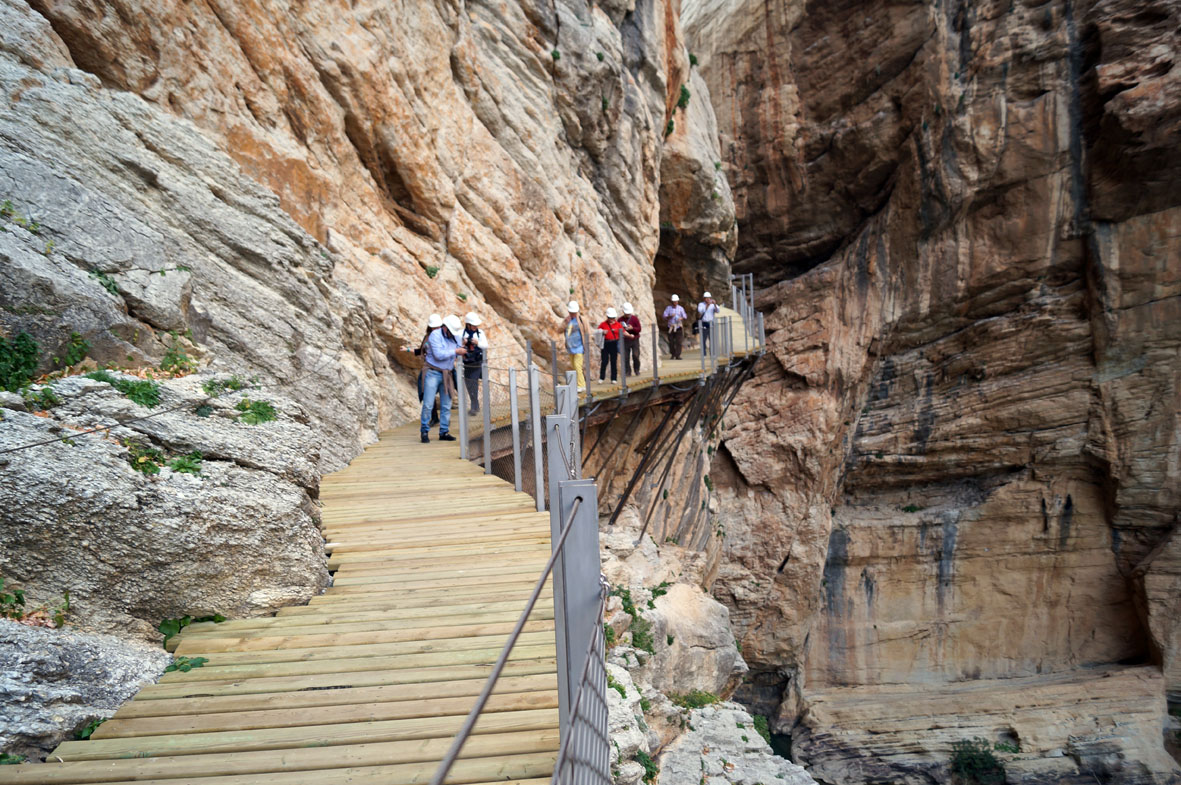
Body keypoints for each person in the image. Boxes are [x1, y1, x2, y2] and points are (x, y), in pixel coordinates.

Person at [420, 313, 466, 443]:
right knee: (428, 403)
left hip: (448, 373)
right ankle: (424, 430)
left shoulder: (455, 337)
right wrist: (456, 352)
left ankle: (444, 432)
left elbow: (458, 348)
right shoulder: (435, 335)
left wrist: (462, 349)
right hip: (433, 372)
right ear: (444, 327)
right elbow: (438, 355)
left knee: (446, 405)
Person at [405, 314, 443, 426]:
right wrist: (407, 349)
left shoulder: (443, 337)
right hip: (428, 367)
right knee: (425, 391)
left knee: (446, 392)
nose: (436, 329)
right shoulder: (427, 336)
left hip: (441, 368)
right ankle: (435, 417)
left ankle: (444, 423)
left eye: (437, 327)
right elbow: (421, 351)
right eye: (434, 327)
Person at [461, 312, 489, 416]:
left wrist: (477, 343)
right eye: (473, 325)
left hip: (478, 362)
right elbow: (457, 346)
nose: (475, 327)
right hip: (467, 363)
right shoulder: (462, 333)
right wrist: (463, 343)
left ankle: (474, 406)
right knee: (470, 385)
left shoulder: (480, 333)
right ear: (468, 324)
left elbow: (485, 346)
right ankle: (475, 405)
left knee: (474, 383)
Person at [598, 307, 627, 383]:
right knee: (604, 361)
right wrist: (602, 332)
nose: (612, 319)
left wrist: (630, 335)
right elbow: (598, 331)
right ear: (607, 317)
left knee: (613, 361)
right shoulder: (603, 324)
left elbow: (623, 331)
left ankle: (614, 378)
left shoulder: (618, 324)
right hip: (605, 343)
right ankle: (601, 377)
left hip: (614, 343)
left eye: (613, 318)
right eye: (610, 318)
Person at [564, 301, 587, 389]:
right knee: (574, 366)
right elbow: (559, 330)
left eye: (574, 312)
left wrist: (587, 344)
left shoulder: (582, 319)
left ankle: (581, 385)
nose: (572, 314)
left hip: (579, 347)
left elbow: (587, 331)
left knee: (578, 366)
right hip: (570, 347)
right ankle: (579, 383)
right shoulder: (567, 320)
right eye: (571, 312)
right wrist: (565, 322)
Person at [662, 294, 687, 360]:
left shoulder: (680, 308)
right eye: (674, 301)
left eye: (676, 301)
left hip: (678, 327)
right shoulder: (668, 308)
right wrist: (670, 316)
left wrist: (681, 318)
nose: (675, 303)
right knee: (671, 342)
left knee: (679, 342)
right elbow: (664, 316)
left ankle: (678, 355)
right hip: (671, 327)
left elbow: (685, 316)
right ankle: (673, 354)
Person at [621, 302, 642, 375]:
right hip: (625, 340)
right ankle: (628, 372)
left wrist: (632, 328)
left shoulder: (634, 319)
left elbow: (639, 329)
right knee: (626, 357)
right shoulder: (620, 319)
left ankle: (637, 370)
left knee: (636, 355)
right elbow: (618, 328)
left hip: (634, 339)